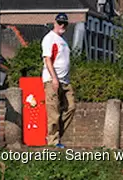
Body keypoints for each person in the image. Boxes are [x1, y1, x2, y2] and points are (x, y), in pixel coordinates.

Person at [41, 13, 76, 148]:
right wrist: (54, 78)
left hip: (65, 81)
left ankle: (56, 134)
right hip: (52, 80)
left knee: (71, 107)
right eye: (60, 23)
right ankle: (53, 141)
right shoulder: (49, 38)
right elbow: (48, 59)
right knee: (53, 111)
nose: (62, 26)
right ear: (55, 23)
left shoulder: (64, 41)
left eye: (65, 24)